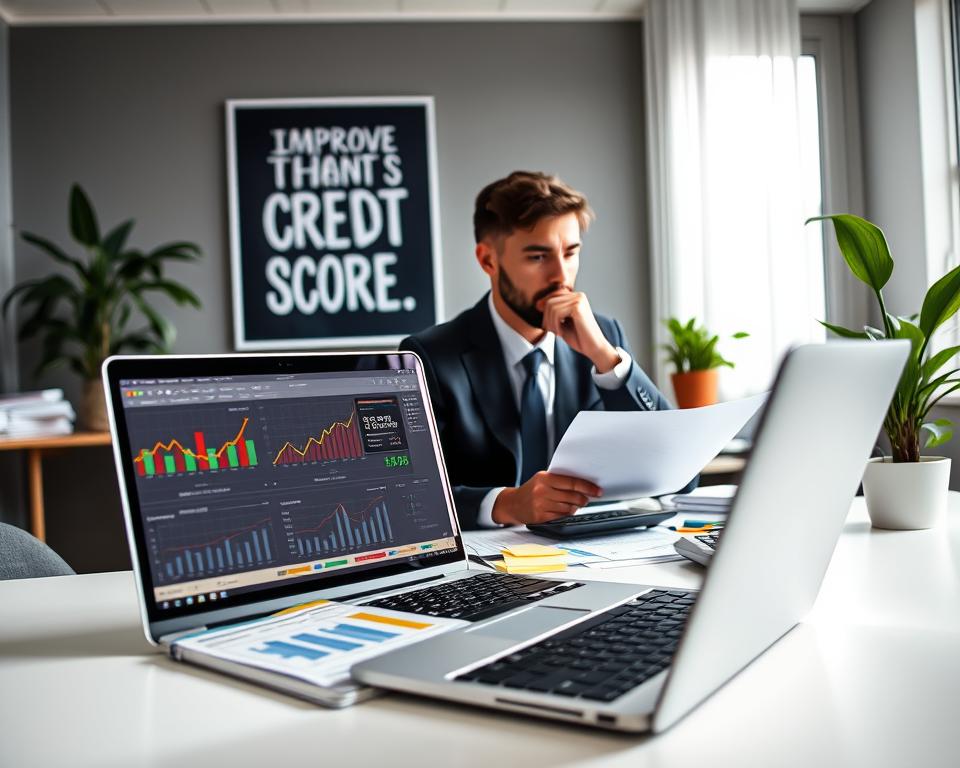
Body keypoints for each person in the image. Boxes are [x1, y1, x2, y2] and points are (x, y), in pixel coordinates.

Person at [401, 171, 687, 530]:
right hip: (490, 556)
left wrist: (606, 358)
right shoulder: (428, 357)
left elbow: (680, 474)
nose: (561, 276)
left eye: (571, 253)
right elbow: (410, 496)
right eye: (538, 257)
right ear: (488, 260)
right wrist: (507, 504)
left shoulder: (605, 337)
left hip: (596, 547)